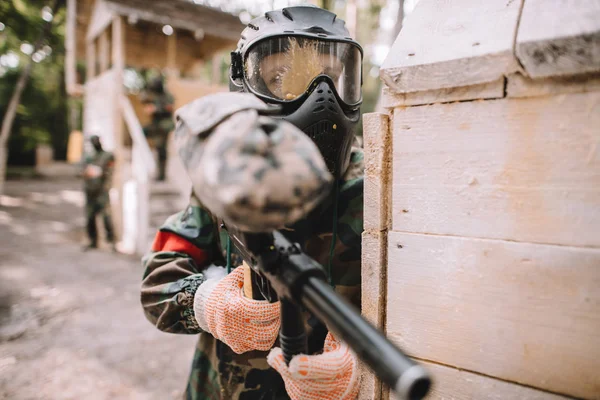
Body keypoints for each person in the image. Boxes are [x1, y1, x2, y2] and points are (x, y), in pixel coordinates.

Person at [141, 5, 364, 399]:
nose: (321, 98)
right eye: (281, 77)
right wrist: (206, 302)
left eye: (331, 78)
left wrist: (360, 367)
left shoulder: (375, 189)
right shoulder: (228, 178)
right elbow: (156, 283)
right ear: (244, 82)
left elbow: (428, 317)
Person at [82, 135, 115, 251]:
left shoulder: (107, 155)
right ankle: (92, 241)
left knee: (106, 217)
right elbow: (81, 170)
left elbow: (109, 170)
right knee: (90, 217)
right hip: (90, 190)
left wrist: (100, 173)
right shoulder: (88, 157)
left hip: (102, 191)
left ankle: (111, 241)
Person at [141, 74, 175, 181]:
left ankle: (162, 175)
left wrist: (156, 109)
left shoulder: (168, 96)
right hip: (156, 125)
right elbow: (144, 99)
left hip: (164, 126)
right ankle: (155, 171)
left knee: (161, 150)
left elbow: (169, 108)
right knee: (142, 133)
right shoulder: (154, 95)